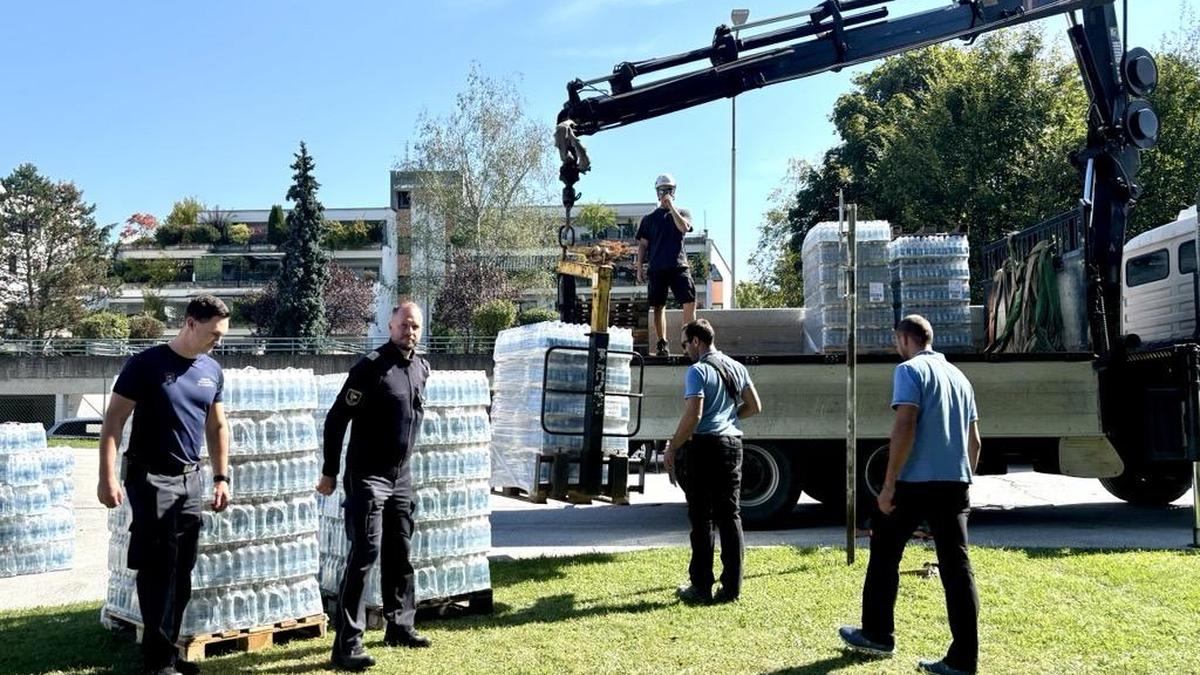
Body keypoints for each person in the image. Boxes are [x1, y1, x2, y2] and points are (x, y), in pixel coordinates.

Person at [838, 314, 982, 675]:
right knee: (957, 568)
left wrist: (888, 485)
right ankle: (964, 659)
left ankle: (877, 634)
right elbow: (974, 441)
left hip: (916, 483)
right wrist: (964, 477)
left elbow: (904, 425)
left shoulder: (910, 371)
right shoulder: (960, 377)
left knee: (885, 552)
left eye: (895, 341)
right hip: (955, 483)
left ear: (904, 338)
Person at [97, 295, 232, 675]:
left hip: (191, 479)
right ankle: (157, 663)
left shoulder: (211, 370)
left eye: (221, 335)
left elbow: (217, 426)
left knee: (182, 570)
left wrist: (221, 477)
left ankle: (169, 652)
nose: (217, 341)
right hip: (150, 478)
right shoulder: (145, 365)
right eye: (213, 333)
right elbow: (113, 422)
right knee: (158, 569)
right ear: (190, 323)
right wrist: (107, 477)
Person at [318, 301, 432, 671]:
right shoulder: (369, 368)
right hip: (367, 477)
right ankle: (346, 644)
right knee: (364, 555)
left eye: (414, 326)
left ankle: (400, 625)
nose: (409, 332)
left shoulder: (420, 366)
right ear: (390, 325)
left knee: (400, 553)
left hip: (401, 477)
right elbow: (336, 420)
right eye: (403, 326)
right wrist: (330, 471)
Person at [665, 319, 761, 604]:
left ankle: (701, 586)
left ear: (696, 341)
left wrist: (673, 445)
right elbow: (755, 406)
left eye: (684, 343)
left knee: (702, 517)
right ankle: (731, 588)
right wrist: (730, 419)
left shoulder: (698, 370)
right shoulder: (737, 367)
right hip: (733, 444)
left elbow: (694, 415)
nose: (683, 350)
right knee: (730, 516)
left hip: (704, 446)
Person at [636, 173, 697, 356]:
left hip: (679, 265)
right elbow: (643, 245)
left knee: (689, 301)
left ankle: (687, 342)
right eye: (663, 190)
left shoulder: (683, 213)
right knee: (658, 305)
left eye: (669, 190)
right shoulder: (649, 219)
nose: (666, 193)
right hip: (657, 267)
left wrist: (672, 208)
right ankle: (662, 343)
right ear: (657, 192)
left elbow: (684, 228)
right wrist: (639, 266)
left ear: (674, 191)